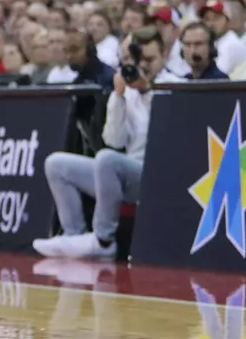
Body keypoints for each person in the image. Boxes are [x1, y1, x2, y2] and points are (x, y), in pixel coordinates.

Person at [32, 30, 166, 259]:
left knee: (106, 159)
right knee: (56, 164)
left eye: (150, 60)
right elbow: (114, 140)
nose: (143, 66)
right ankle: (74, 236)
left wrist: (147, 92)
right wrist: (119, 98)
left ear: (164, 55)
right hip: (125, 171)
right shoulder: (128, 92)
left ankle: (104, 240)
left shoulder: (175, 85)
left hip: (157, 176)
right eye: (136, 60)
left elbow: (165, 134)